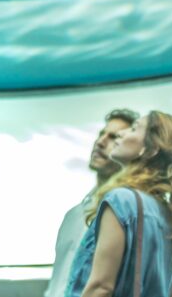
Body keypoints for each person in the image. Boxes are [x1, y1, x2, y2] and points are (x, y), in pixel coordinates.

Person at [66, 111, 172, 297]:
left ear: (150, 149)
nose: (121, 134)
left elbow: (100, 287)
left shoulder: (121, 201)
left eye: (133, 129)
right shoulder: (169, 218)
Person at [46, 109, 139, 297]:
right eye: (101, 134)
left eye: (114, 137)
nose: (101, 142)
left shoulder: (131, 213)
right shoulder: (73, 216)